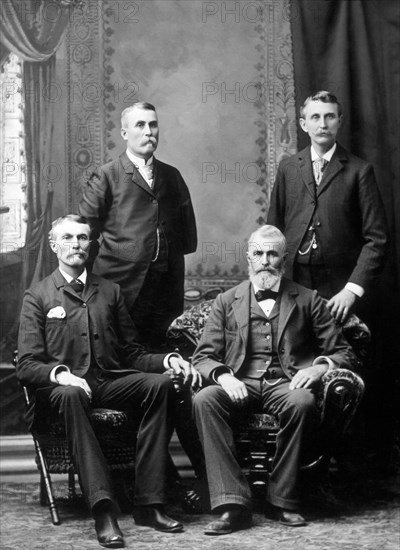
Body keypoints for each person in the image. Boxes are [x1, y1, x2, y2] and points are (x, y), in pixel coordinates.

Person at [17, 214, 201, 549]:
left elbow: (131, 353)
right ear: (53, 244)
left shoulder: (110, 292)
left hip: (106, 381)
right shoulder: (38, 295)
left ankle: (149, 503)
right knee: (72, 393)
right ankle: (104, 509)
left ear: (91, 244)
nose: (76, 244)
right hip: (60, 394)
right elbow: (27, 365)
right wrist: (62, 374)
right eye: (69, 238)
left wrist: (166, 360)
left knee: (159, 385)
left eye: (83, 238)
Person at [192, 225, 356, 535]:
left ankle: (282, 500)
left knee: (302, 402)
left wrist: (318, 368)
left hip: (286, 383)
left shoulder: (308, 299)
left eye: (272, 254)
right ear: (248, 258)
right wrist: (224, 377)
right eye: (259, 253)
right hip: (241, 381)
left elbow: (343, 352)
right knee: (204, 399)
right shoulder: (226, 301)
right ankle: (232, 504)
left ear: (284, 258)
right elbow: (203, 357)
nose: (265, 260)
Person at [79, 101, 197, 348]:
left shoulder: (171, 175)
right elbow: (84, 234)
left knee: (161, 351)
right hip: (120, 284)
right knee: (120, 352)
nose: (148, 132)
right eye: (140, 125)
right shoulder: (107, 175)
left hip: (166, 285)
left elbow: (187, 235)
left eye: (153, 125)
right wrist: (89, 281)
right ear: (124, 133)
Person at [267, 91, 387, 324]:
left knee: (338, 352)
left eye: (329, 116)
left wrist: (351, 291)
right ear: (303, 124)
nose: (322, 124)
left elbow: (377, 240)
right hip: (293, 281)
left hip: (340, 286)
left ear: (339, 121)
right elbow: (273, 230)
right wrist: (272, 281)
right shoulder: (288, 168)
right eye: (315, 117)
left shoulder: (359, 171)